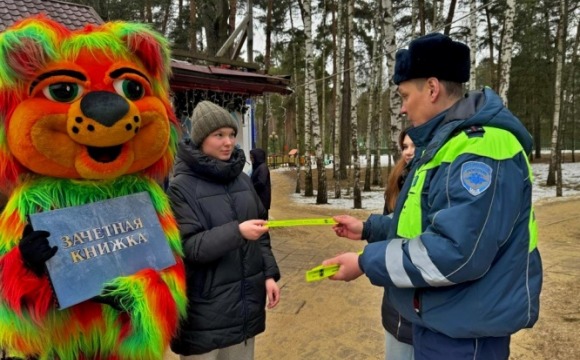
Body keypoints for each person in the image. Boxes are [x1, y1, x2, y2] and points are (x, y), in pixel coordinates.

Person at [323, 33, 542, 360]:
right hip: (445, 319)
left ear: (432, 88)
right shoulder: (446, 145)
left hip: (466, 332)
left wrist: (365, 262)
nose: (402, 108)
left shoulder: (479, 149)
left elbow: (456, 252)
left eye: (404, 95)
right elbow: (426, 223)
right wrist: (369, 229)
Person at [167, 101, 281, 359]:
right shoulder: (180, 187)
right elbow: (189, 247)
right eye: (219, 135)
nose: (228, 142)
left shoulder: (242, 179)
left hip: (245, 308)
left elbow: (262, 232)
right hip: (205, 313)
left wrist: (269, 275)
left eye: (231, 134)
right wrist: (237, 232)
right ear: (200, 139)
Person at [332, 128, 416, 360]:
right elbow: (398, 227)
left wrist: (362, 262)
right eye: (405, 146)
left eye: (415, 145)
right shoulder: (400, 178)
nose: (409, 152)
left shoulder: (436, 180)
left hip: (424, 310)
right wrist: (367, 228)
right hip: (397, 306)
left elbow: (422, 239)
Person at [250, 148, 272, 218]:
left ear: (257, 157)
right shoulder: (258, 167)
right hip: (259, 199)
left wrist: (251, 187)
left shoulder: (262, 167)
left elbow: (261, 182)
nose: (251, 159)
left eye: (252, 157)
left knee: (262, 220)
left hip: (262, 199)